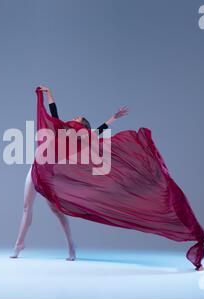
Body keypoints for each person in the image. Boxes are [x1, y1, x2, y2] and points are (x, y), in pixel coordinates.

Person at [10, 86, 128, 260]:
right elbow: (54, 114)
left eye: (77, 118)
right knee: (27, 207)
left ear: (82, 125)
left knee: (57, 211)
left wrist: (113, 119)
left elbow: (97, 131)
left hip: (49, 174)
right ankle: (19, 244)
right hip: (36, 166)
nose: (74, 117)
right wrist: (49, 94)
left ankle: (71, 245)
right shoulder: (62, 129)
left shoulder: (81, 137)